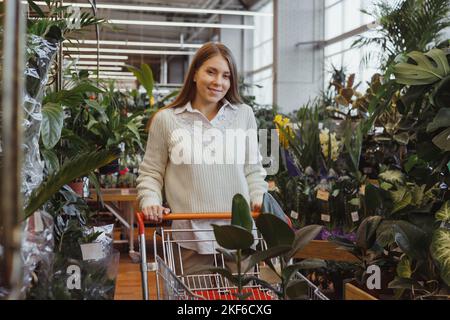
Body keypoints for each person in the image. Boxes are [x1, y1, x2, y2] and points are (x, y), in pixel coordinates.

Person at [136, 42, 268, 276]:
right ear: (195, 73)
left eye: (226, 76)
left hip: (240, 235)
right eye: (211, 72)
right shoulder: (166, 120)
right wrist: (150, 200)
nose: (219, 82)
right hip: (190, 238)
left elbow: (253, 170)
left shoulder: (244, 115)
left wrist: (259, 197)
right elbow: (151, 173)